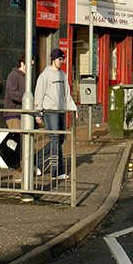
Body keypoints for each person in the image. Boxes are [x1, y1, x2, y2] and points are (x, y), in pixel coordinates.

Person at [34, 49, 77, 180]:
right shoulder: (45, 76)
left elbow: (66, 94)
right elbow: (39, 95)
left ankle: (36, 160)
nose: (62, 62)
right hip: (50, 111)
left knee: (60, 140)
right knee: (54, 139)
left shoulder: (63, 75)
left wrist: (72, 109)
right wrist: (38, 114)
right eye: (60, 59)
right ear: (53, 60)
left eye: (63, 59)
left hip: (60, 111)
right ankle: (57, 172)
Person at [4, 55, 27, 130]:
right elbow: (13, 94)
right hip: (14, 115)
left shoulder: (25, 77)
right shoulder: (13, 76)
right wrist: (27, 100)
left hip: (22, 115)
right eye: (30, 65)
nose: (31, 68)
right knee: (17, 139)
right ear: (22, 64)